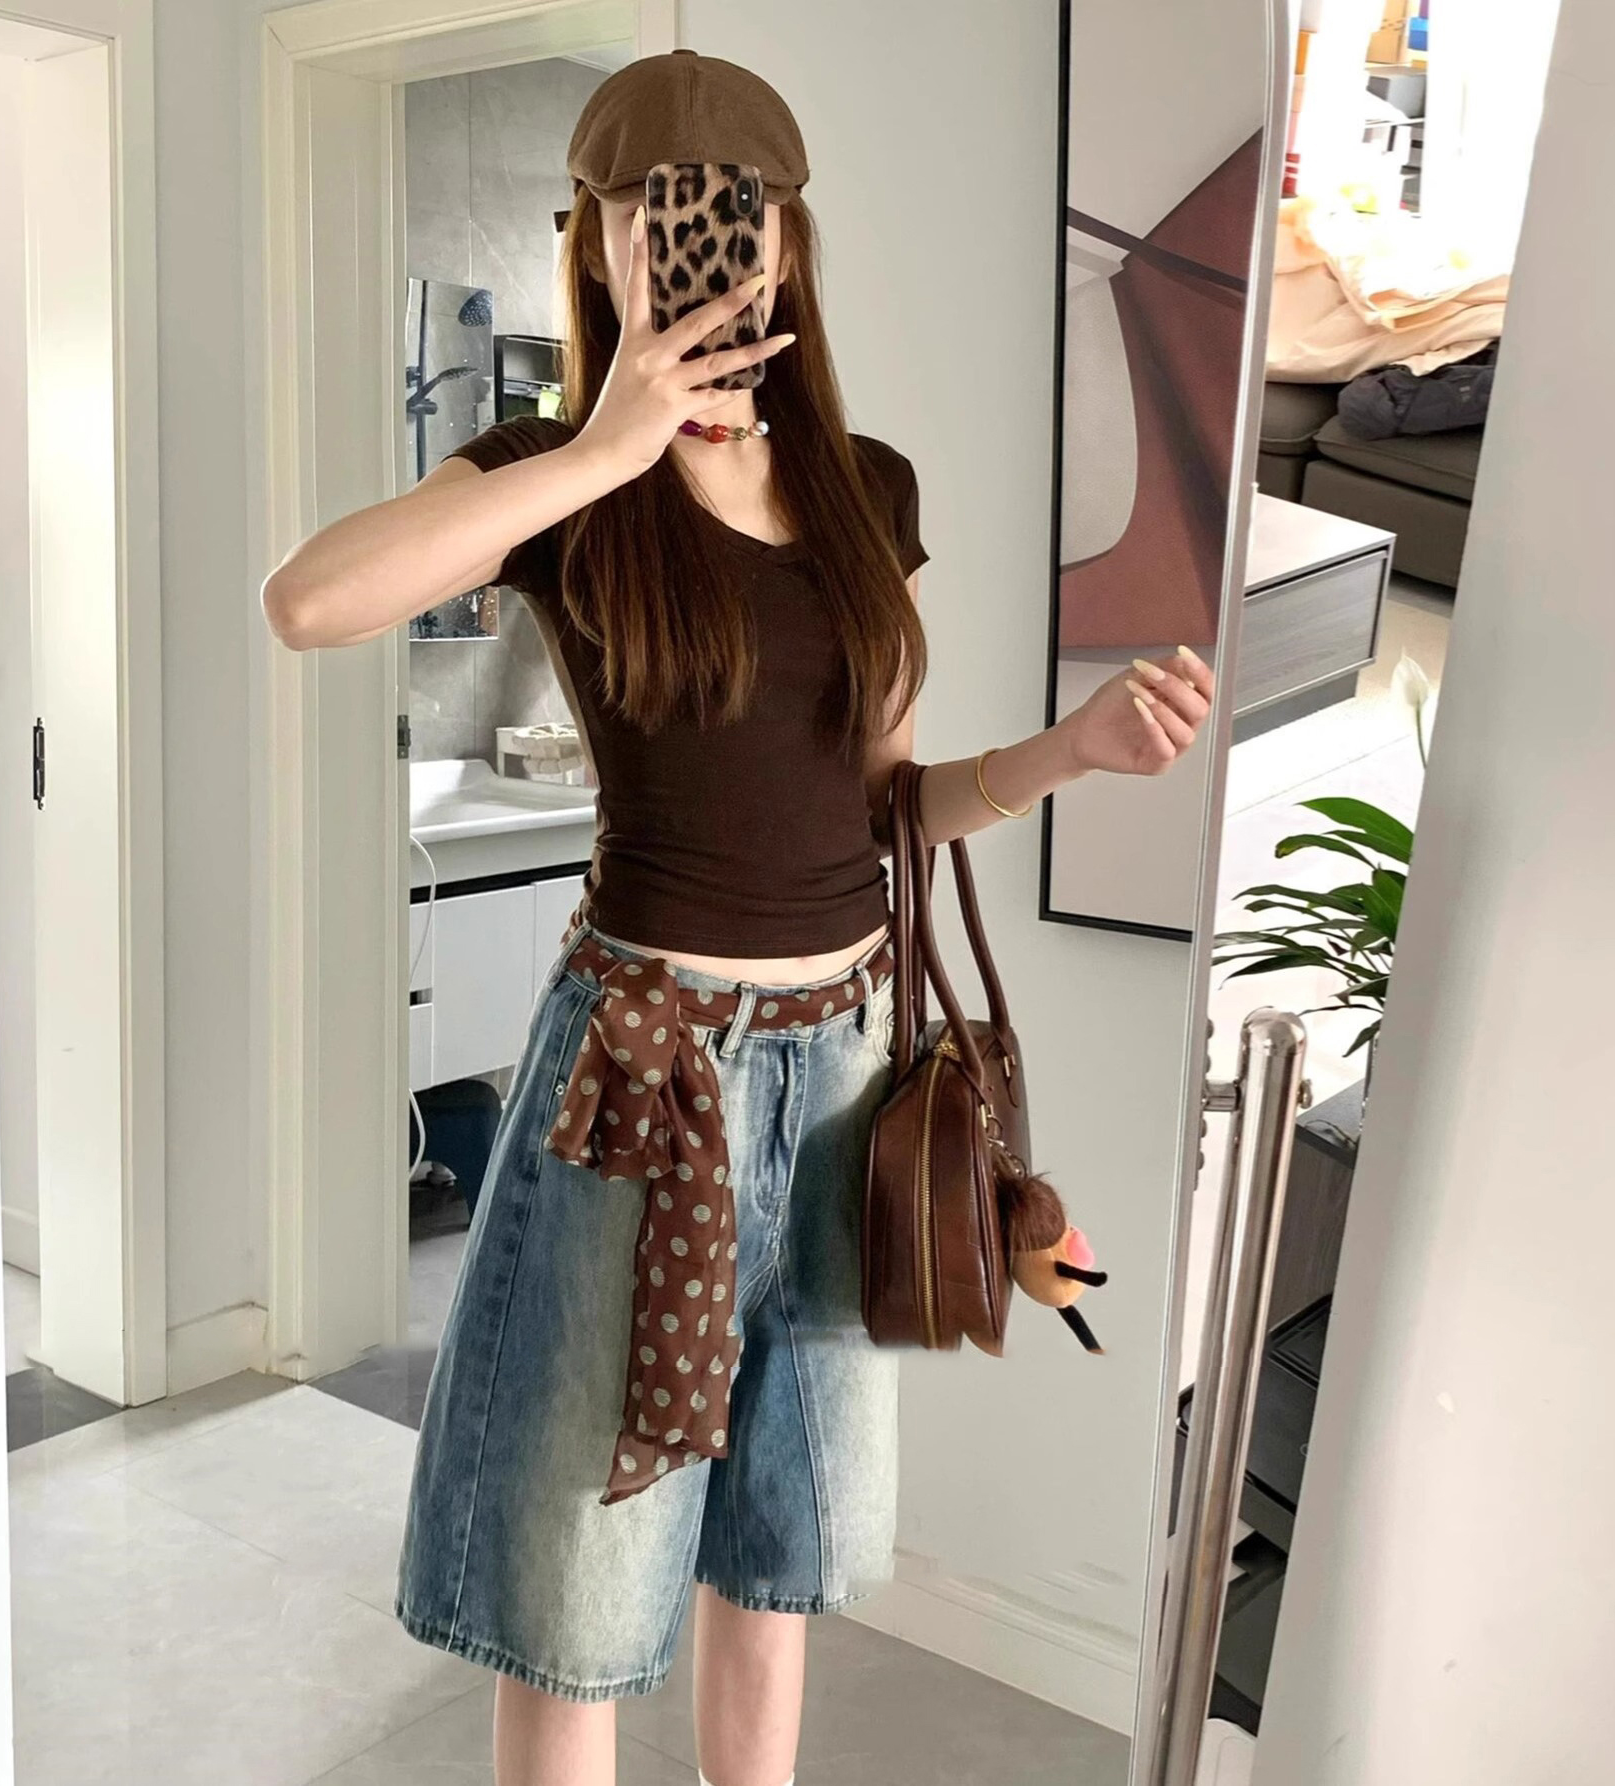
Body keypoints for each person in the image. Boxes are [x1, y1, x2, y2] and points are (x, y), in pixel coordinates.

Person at [262, 49, 1212, 1786]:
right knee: (575, 1579)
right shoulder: (555, 481)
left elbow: (886, 804)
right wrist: (607, 441)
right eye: (655, 209)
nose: (700, 237)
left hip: (841, 1072)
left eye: (734, 209)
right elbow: (310, 601)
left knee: (774, 1556)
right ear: (600, 242)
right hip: (640, 1080)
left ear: (785, 243)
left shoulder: (866, 488)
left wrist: (1068, 752)